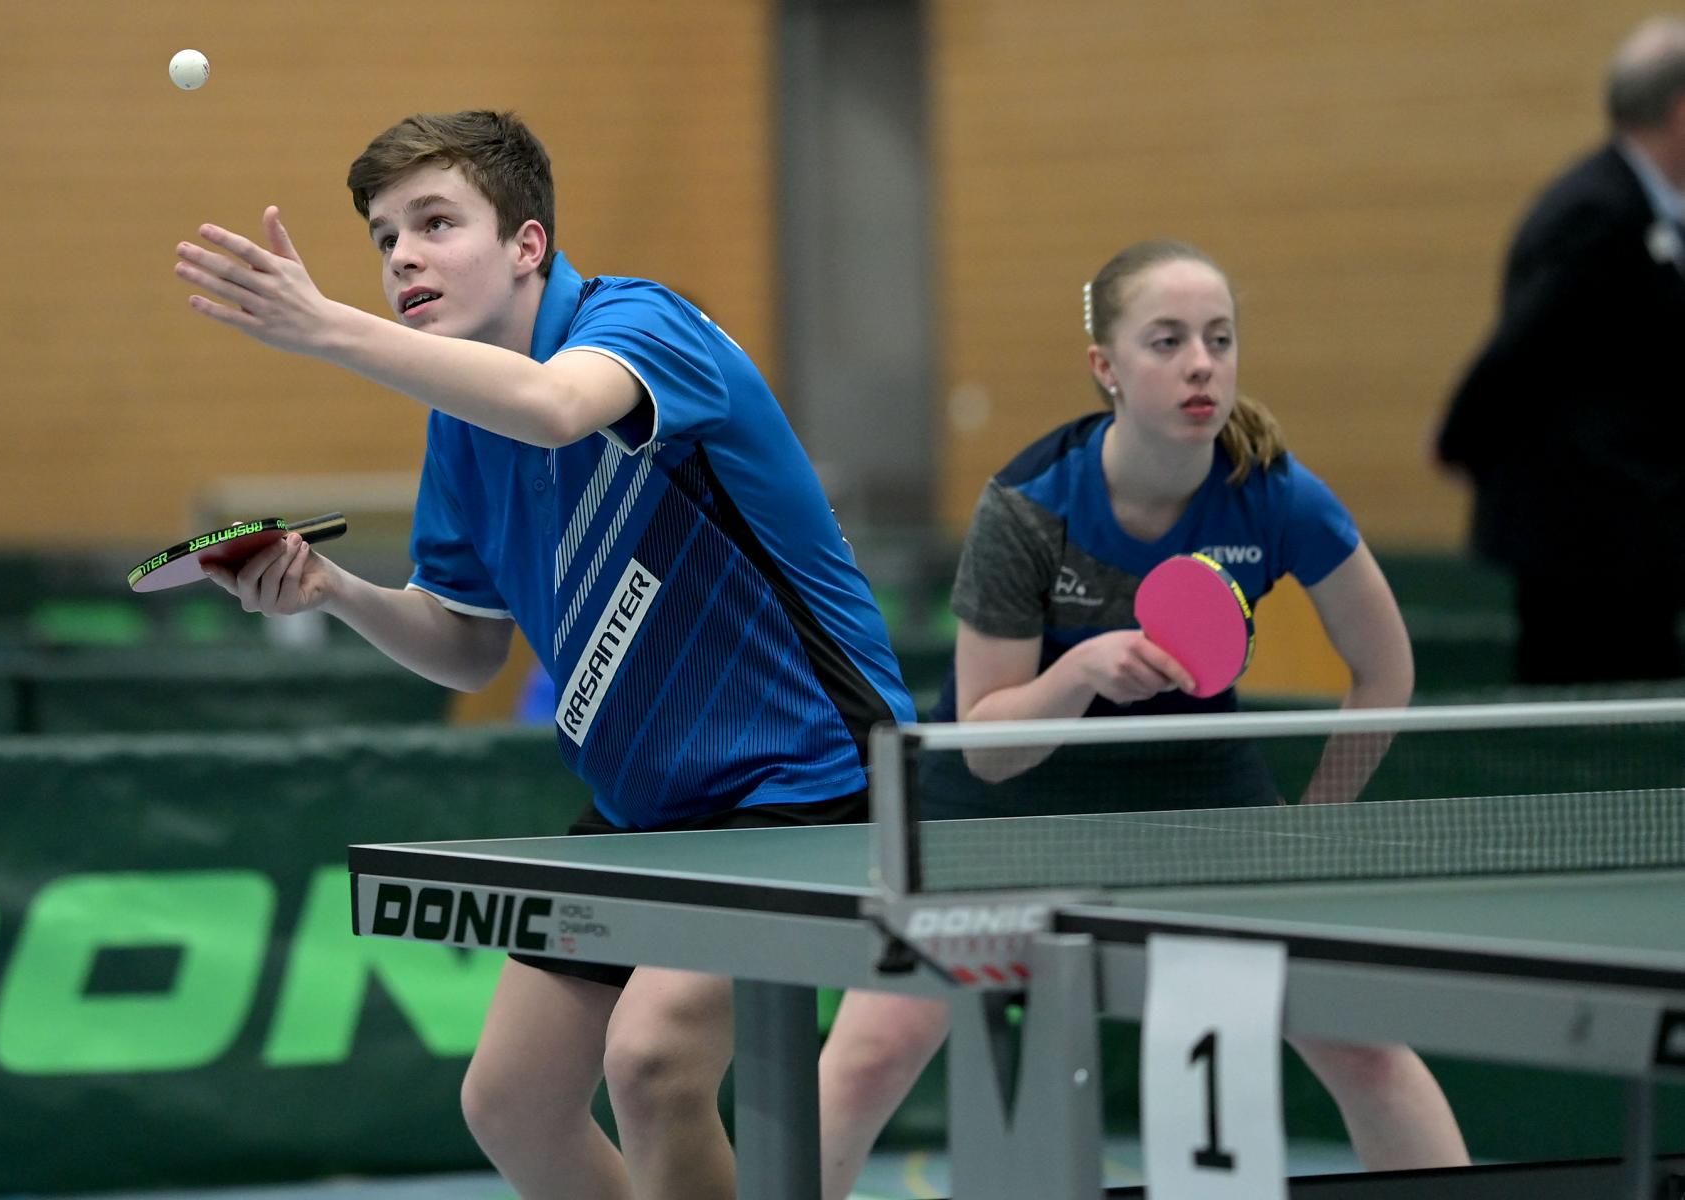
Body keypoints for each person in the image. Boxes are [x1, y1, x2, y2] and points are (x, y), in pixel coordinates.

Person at [171, 109, 916, 1200]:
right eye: (384, 237)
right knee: (511, 1100)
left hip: (810, 778)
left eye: (435, 222)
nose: (402, 256)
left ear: (528, 244)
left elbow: (560, 409)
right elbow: (469, 647)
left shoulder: (645, 327)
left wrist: (327, 329)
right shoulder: (461, 419)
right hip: (651, 803)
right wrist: (335, 591)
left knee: (653, 1059)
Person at [817, 239, 1470, 1197]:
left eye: (1219, 339)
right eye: (1167, 341)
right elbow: (988, 745)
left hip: (1191, 783)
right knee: (873, 1051)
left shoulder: (1272, 494)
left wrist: (1314, 828)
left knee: (1362, 1042)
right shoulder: (1030, 507)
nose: (1201, 364)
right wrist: (1081, 670)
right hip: (995, 803)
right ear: (1107, 366)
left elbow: (1385, 668)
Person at [1435, 16, 1685, 684]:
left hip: (1639, 538)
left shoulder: (1650, 210)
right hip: (1584, 542)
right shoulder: (1597, 211)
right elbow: (1522, 351)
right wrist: (1460, 439)